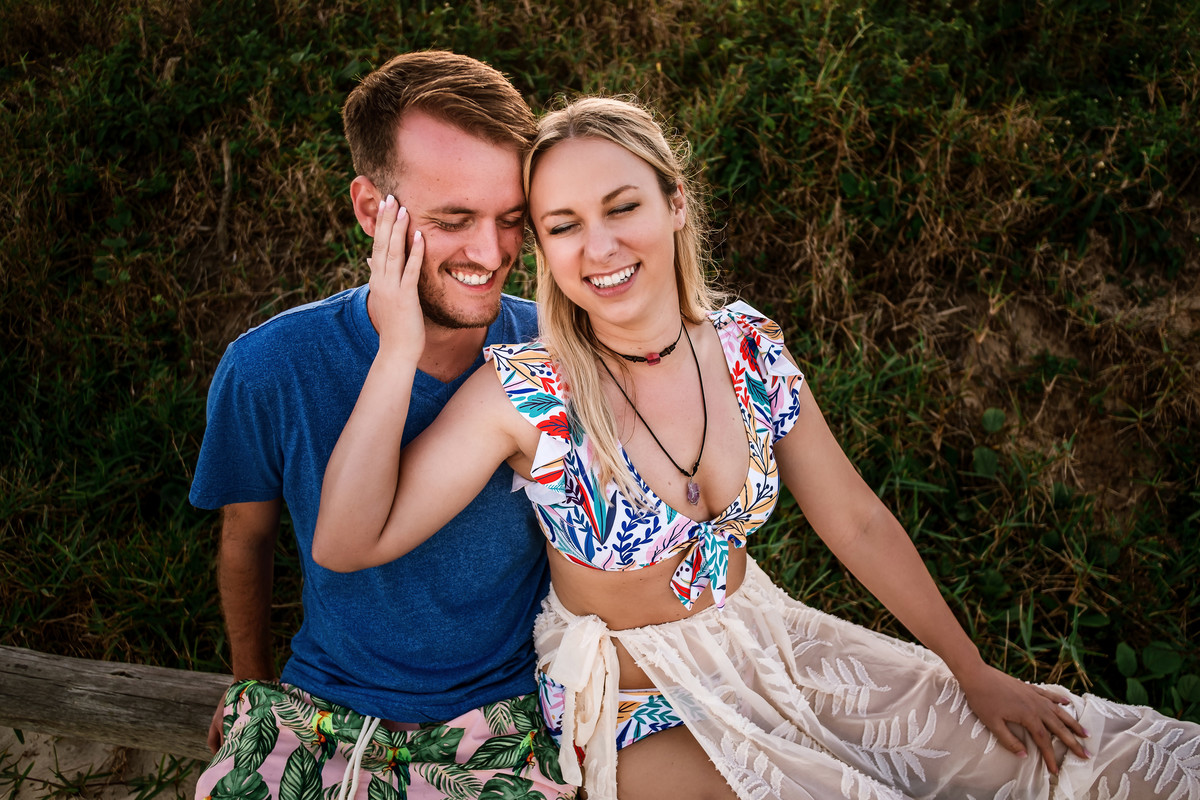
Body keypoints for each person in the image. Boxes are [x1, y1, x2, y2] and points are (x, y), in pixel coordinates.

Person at [312, 96, 1200, 800]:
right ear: (542, 246)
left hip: (770, 643)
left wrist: (970, 670)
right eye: (564, 224)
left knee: (1095, 761)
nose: (601, 246)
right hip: (632, 702)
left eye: (623, 207)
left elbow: (853, 519)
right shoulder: (525, 388)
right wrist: (395, 350)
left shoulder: (743, 346)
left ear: (675, 204)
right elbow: (347, 542)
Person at [188, 51, 575, 800]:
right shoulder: (269, 367)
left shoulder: (554, 364)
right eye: (453, 220)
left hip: (502, 722)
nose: (491, 254)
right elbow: (246, 539)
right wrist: (248, 684)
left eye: (510, 220)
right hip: (319, 708)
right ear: (371, 210)